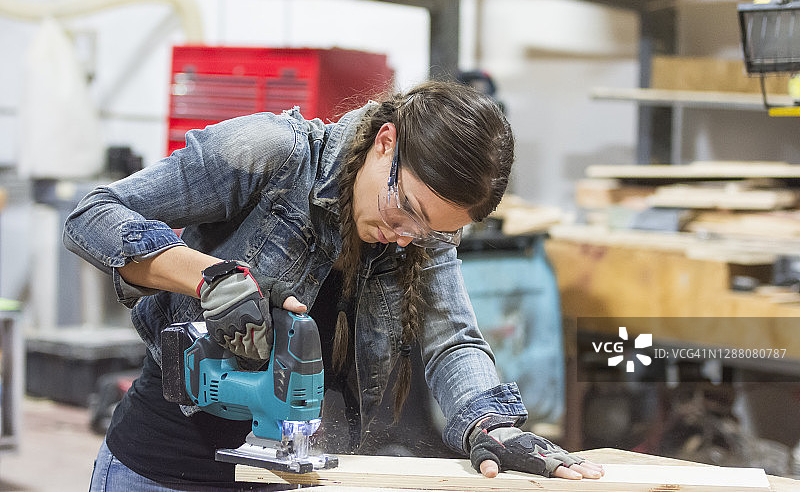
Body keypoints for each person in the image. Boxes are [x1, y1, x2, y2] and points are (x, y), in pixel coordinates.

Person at [64, 80, 603, 490]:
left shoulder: (418, 232)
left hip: (302, 478)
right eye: (405, 210)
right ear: (385, 143)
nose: (405, 237)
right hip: (167, 469)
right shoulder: (272, 154)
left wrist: (492, 424)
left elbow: (451, 340)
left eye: (430, 230)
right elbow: (91, 214)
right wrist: (208, 277)